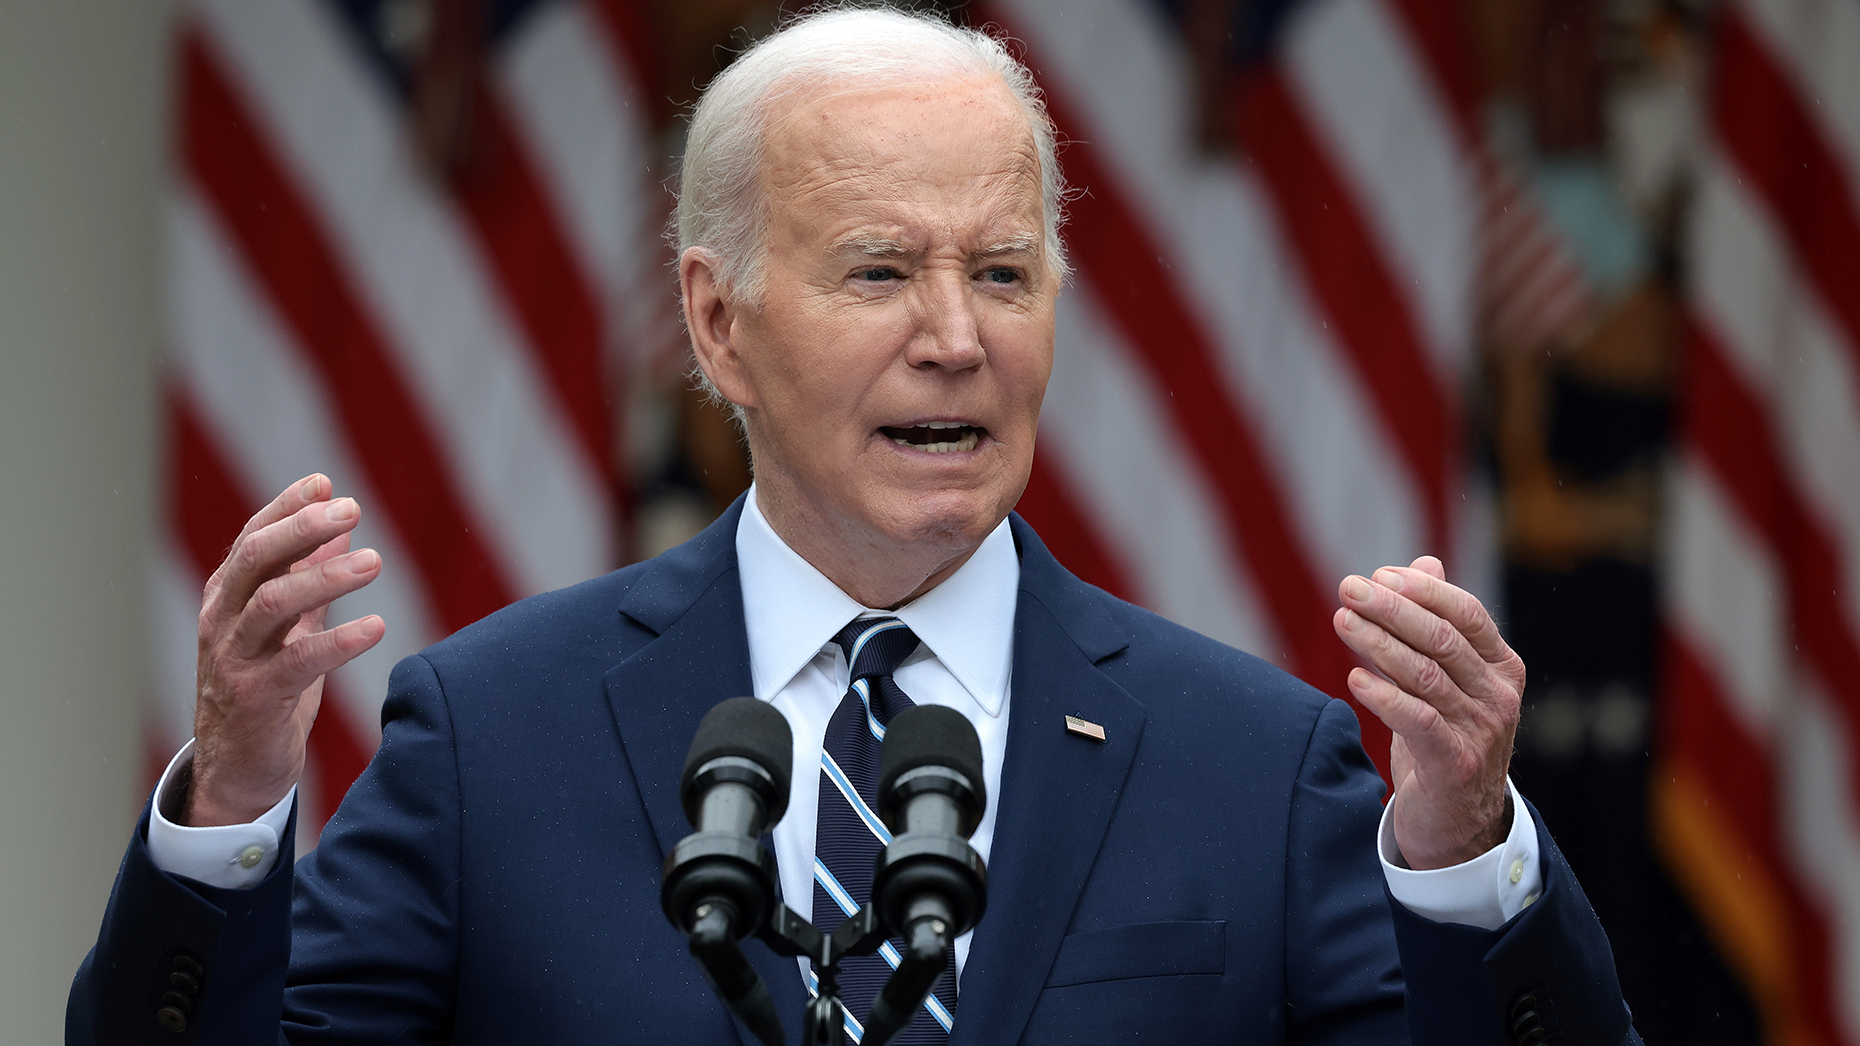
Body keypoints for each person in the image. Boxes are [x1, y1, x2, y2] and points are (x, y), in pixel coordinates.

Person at [70, 9, 1635, 1045]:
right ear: (720, 325)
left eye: (1005, 274)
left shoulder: (1251, 757)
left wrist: (1462, 858)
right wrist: (232, 799)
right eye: (882, 271)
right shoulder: (493, 737)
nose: (958, 336)